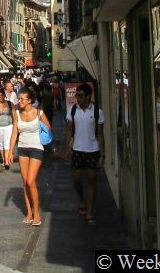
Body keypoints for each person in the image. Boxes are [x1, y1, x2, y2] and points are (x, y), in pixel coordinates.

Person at [7, 87, 51, 226]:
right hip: (22, 148)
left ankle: (37, 212)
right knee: (25, 181)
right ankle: (29, 213)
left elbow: (48, 129)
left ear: (30, 100)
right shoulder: (17, 114)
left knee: (31, 181)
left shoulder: (39, 113)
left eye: (22, 99)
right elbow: (15, 132)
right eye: (19, 98)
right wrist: (10, 151)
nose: (19, 101)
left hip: (37, 147)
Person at [63, 83, 105, 224]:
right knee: (76, 180)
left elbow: (100, 134)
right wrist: (66, 149)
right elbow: (69, 130)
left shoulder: (97, 111)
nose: (78, 98)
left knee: (92, 181)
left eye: (80, 96)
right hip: (77, 149)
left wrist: (102, 154)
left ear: (88, 96)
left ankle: (89, 212)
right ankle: (82, 200)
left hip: (92, 150)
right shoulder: (73, 110)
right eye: (76, 96)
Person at [0, 89, 14, 169]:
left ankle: (7, 161)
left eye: (2, 95)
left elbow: (14, 115)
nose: (1, 97)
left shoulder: (10, 104)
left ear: (5, 95)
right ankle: (4, 160)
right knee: (1, 143)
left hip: (9, 126)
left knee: (6, 143)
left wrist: (15, 125)